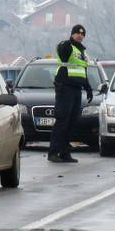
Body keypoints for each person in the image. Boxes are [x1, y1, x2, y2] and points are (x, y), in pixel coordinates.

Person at [48, 24, 92, 163]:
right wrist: (68, 42)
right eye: (78, 33)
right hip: (65, 87)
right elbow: (62, 52)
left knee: (72, 122)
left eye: (83, 34)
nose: (80, 35)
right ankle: (53, 152)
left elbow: (83, 71)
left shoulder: (83, 52)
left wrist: (88, 87)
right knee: (62, 120)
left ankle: (65, 153)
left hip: (77, 89)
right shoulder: (67, 46)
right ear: (72, 34)